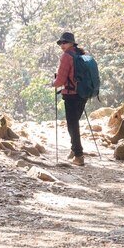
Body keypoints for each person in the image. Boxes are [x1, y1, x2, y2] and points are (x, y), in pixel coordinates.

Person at [53, 31, 86, 166]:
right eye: (61, 42)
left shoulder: (67, 56)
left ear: (72, 43)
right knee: (74, 123)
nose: (62, 44)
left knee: (72, 124)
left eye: (65, 42)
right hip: (83, 93)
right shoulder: (82, 54)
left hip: (71, 95)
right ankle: (74, 149)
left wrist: (52, 84)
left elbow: (60, 80)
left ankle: (79, 155)